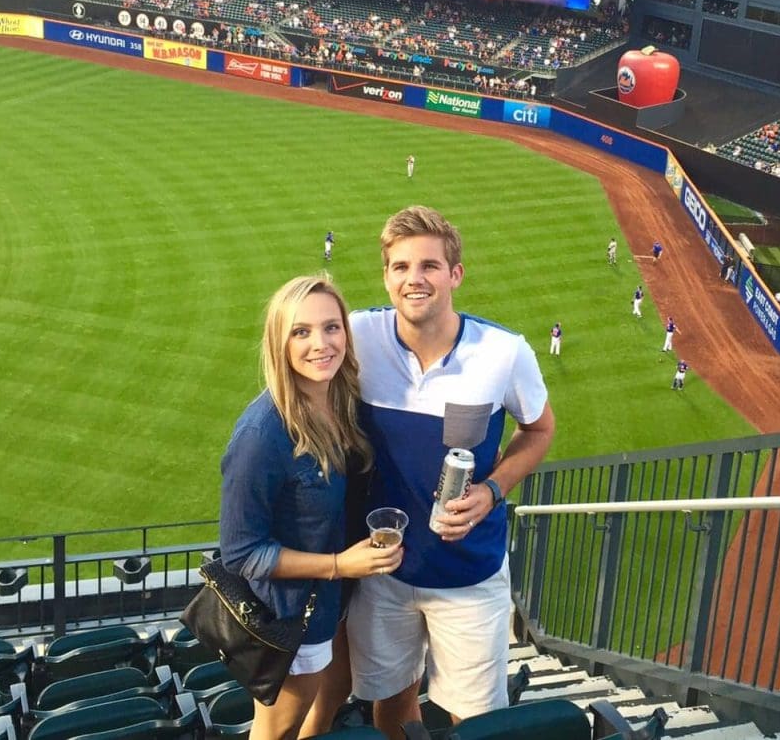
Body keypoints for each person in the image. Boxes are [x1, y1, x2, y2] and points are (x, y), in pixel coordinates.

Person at [344, 206, 555, 738]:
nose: (415, 279)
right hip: (383, 572)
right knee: (392, 701)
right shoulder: (357, 336)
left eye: (430, 266)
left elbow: (539, 430)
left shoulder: (503, 351)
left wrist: (492, 489)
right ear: (387, 277)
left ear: (455, 274)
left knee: (476, 719)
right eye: (400, 267)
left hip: (469, 574)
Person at [219, 275, 403, 740]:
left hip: (331, 604)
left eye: (331, 327)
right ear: (278, 343)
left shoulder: (338, 402)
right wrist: (341, 564)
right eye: (300, 332)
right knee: (277, 730)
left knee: (332, 694)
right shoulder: (261, 435)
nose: (320, 344)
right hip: (287, 616)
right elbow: (242, 553)